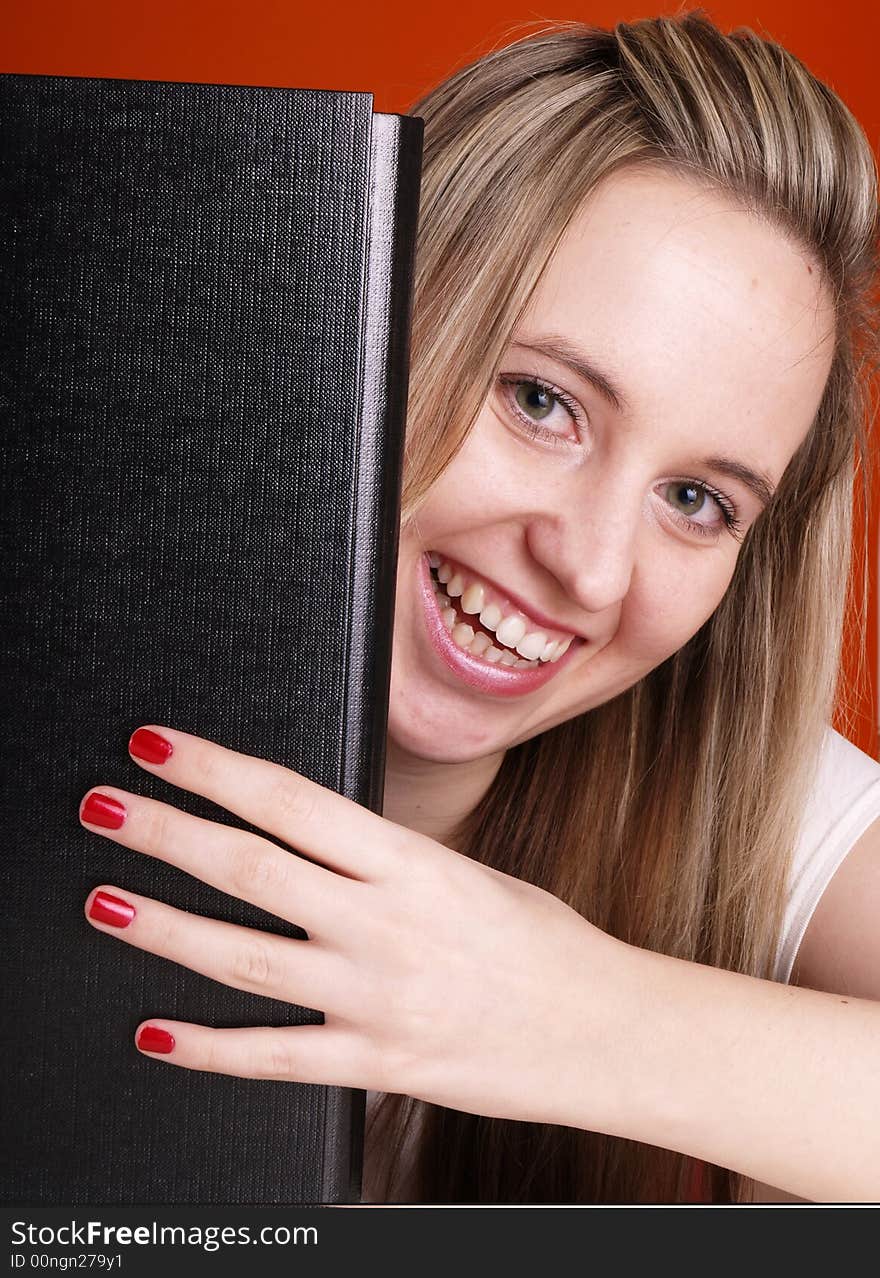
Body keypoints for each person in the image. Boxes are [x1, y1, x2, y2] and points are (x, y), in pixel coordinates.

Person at [78, 11, 880, 1204]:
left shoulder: (757, 807)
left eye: (696, 498)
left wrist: (574, 1017)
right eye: (542, 401)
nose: (593, 569)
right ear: (364, 314)